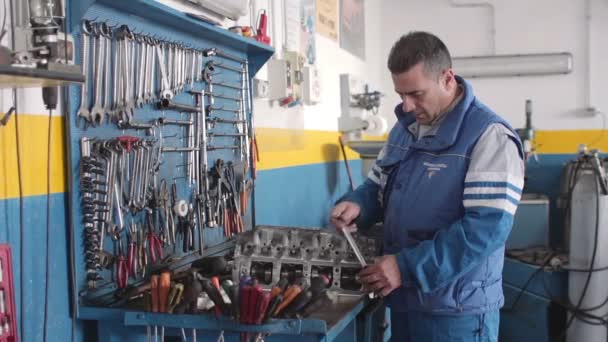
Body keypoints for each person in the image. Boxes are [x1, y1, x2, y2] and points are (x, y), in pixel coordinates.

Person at [330, 31, 525, 341]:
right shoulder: (405, 129)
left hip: (456, 313)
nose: (407, 106)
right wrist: (358, 204)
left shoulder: (490, 137)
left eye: (416, 94)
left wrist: (405, 267)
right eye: (401, 95)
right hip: (406, 302)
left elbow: (485, 230)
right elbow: (377, 185)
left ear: (447, 79)